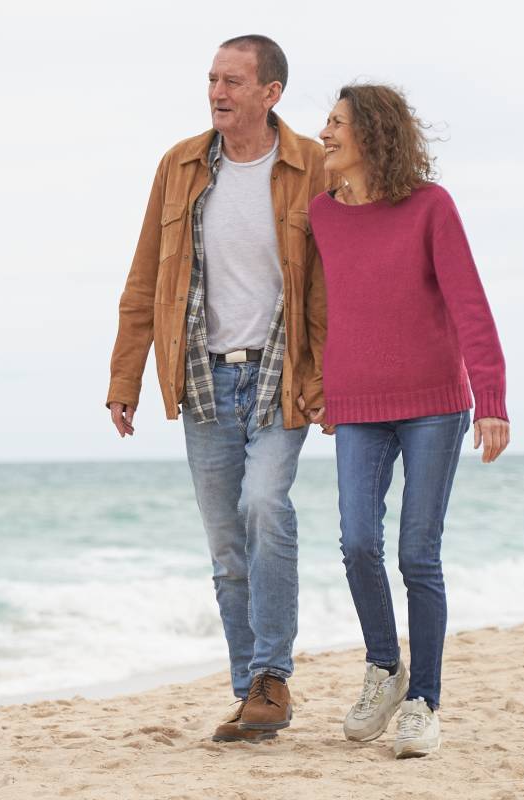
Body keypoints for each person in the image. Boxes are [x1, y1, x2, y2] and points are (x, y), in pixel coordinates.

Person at [105, 35, 329, 744]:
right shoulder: (179, 166)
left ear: (271, 93)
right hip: (201, 376)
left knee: (265, 504)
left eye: (233, 81)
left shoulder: (310, 166)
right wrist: (125, 375)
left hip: (279, 369)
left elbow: (335, 278)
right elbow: (146, 277)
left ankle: (271, 676)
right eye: (211, 79)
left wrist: (331, 374)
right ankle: (252, 694)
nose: (217, 92)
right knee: (226, 548)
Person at [310, 83, 511, 758]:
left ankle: (424, 700)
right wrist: (322, 388)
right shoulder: (323, 216)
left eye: (335, 124)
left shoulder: (431, 207)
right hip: (358, 408)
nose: (325, 134)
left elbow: (470, 305)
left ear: (371, 133)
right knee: (358, 542)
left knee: (417, 555)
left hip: (434, 405)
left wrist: (492, 399)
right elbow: (325, 311)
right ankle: (384, 668)